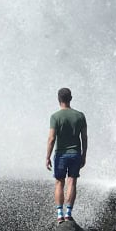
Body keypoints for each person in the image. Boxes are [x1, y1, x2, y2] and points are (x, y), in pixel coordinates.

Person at [46, 88, 87, 223]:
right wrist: (83, 155)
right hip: (75, 154)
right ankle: (68, 213)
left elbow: (52, 138)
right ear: (71, 98)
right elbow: (84, 138)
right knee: (72, 182)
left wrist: (47, 156)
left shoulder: (55, 117)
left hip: (61, 155)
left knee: (59, 183)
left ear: (59, 99)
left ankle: (59, 214)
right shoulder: (80, 116)